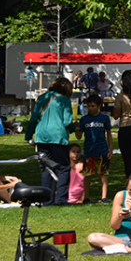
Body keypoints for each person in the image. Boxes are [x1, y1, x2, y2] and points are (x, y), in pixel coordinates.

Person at [88, 171, 131, 254]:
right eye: (130, 190)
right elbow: (114, 226)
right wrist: (119, 217)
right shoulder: (120, 196)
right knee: (92, 237)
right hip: (121, 239)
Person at [32, 77, 74, 205]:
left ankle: (46, 199)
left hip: (41, 136)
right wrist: (74, 127)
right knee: (63, 167)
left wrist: (29, 136)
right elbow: (67, 121)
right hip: (57, 137)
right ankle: (61, 199)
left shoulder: (42, 98)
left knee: (46, 168)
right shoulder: (64, 100)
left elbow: (34, 118)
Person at [76, 95, 113, 203]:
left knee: (103, 173)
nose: (90, 108)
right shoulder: (84, 119)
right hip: (89, 150)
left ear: (99, 106)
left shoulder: (104, 118)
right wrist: (77, 128)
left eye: (93, 106)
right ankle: (86, 197)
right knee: (87, 174)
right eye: (88, 106)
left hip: (102, 150)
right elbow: (79, 136)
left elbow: (109, 134)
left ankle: (104, 197)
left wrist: (110, 150)